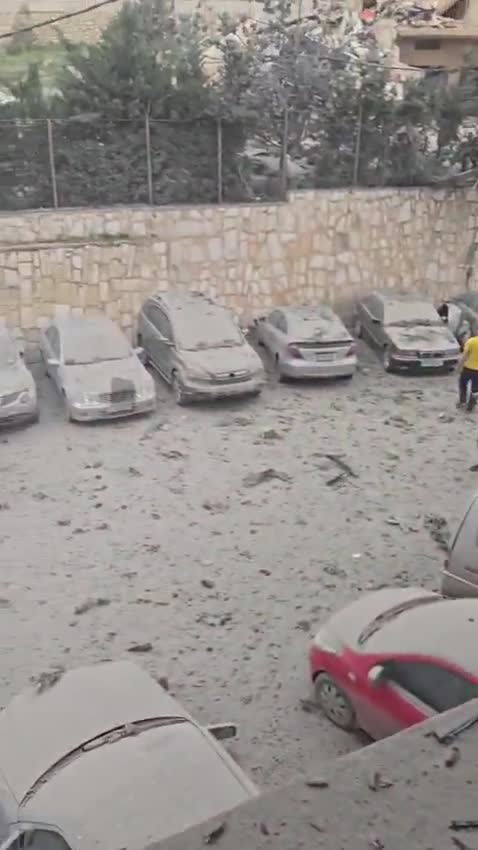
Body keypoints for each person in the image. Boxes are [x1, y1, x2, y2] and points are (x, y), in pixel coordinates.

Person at [457, 327, 478, 411]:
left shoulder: (471, 341)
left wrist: (459, 367)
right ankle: (471, 406)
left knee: (462, 384)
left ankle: (462, 401)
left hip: (468, 368)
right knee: (475, 389)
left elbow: (464, 356)